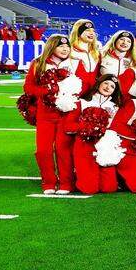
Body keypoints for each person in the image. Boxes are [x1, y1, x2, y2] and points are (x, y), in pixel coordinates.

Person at [24, 35, 88, 194]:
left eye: (67, 47)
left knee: (63, 149)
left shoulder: (76, 63)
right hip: (45, 113)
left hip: (68, 113)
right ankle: (48, 182)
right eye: (60, 47)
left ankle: (66, 183)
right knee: (43, 150)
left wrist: (70, 94)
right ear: (51, 47)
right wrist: (49, 91)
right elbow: (29, 87)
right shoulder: (38, 63)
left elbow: (85, 84)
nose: (65, 49)